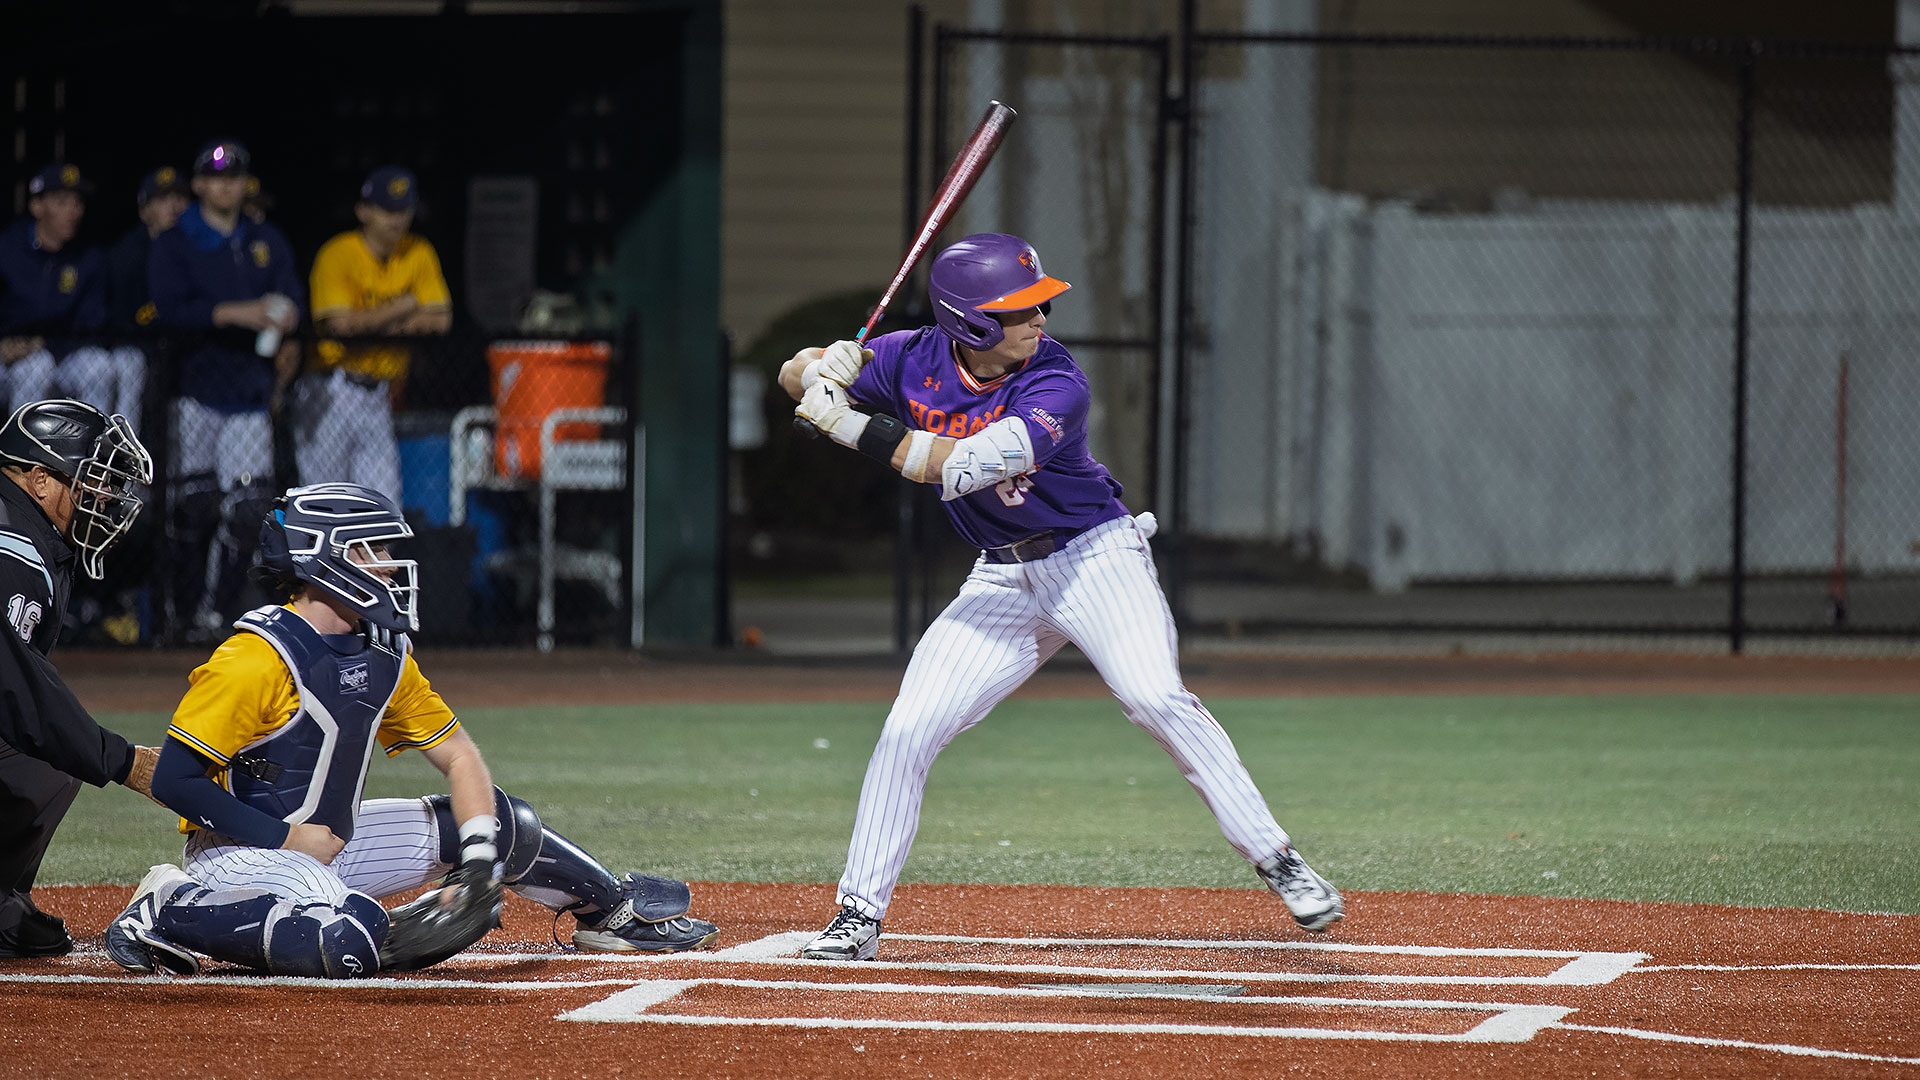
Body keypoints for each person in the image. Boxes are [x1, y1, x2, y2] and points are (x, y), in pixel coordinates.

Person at [779, 233, 1342, 961]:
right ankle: (858, 915)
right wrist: (822, 367)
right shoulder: (909, 357)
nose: (1040, 316)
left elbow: (958, 466)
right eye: (1020, 308)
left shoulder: (1056, 383)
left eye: (1039, 302)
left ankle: (1278, 859)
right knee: (906, 731)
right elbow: (794, 376)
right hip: (1001, 578)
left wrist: (849, 422)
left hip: (1095, 558)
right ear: (970, 323)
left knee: (1153, 697)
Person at [103, 482, 718, 978]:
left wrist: (479, 863)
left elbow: (460, 758)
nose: (390, 568)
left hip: (329, 844)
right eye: (371, 552)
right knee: (349, 939)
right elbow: (181, 781)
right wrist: (286, 839)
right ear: (321, 560)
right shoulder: (254, 658)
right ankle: (166, 909)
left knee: (503, 825)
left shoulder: (380, 653)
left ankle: (610, 913)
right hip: (239, 853)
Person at [0, 399, 160, 958]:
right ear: (41, 481)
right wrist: (121, 759)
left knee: (43, 753)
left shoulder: (24, 534)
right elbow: (14, 686)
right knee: (43, 754)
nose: (103, 500)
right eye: (90, 481)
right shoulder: (11, 548)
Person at [147, 140, 301, 639]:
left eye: (234, 177)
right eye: (215, 177)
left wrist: (283, 314)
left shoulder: (264, 239)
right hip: (192, 389)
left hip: (248, 392)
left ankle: (221, 614)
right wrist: (239, 312)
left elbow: (293, 298)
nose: (226, 185)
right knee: (190, 508)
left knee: (248, 509)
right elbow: (170, 310)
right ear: (198, 184)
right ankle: (178, 611)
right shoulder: (177, 241)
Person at [296, 166, 451, 499]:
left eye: (403, 210)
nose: (396, 220)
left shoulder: (418, 251)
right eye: (386, 210)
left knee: (383, 511)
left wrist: (377, 323)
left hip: (378, 393)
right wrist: (405, 306)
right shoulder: (337, 254)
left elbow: (440, 320)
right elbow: (341, 327)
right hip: (331, 390)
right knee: (327, 506)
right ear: (363, 211)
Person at [0, 163, 143, 423]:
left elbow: (91, 323)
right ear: (37, 206)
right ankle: (20, 460)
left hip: (55, 353)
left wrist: (39, 343)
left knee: (96, 365)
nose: (73, 211)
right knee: (36, 368)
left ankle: (90, 457)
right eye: (62, 202)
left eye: (77, 203)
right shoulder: (8, 248)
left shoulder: (88, 259)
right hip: (6, 357)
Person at [106, 166, 192, 343]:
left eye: (180, 197)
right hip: (134, 344)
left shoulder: (200, 248)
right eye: (163, 199)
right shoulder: (126, 255)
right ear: (144, 211)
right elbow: (120, 319)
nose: (175, 206)